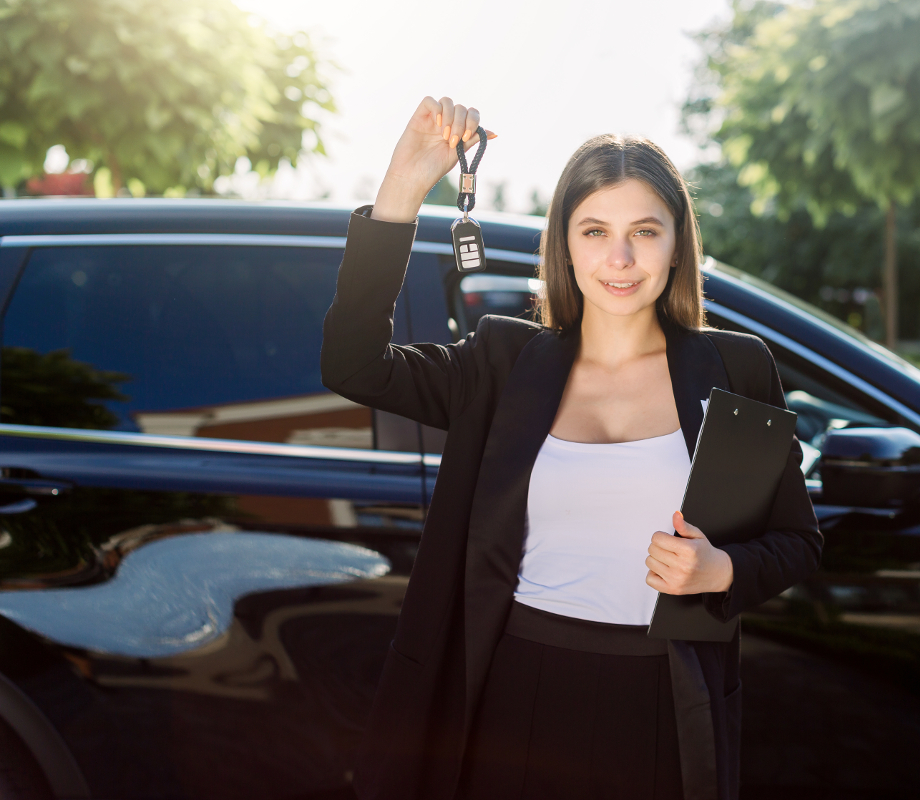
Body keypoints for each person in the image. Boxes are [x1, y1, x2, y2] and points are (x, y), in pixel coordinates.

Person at [321, 95, 823, 800]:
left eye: (645, 231)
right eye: (594, 231)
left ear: (678, 242)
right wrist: (405, 186)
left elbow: (798, 542)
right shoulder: (503, 360)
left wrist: (720, 571)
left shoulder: (737, 369)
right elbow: (353, 366)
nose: (619, 258)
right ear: (564, 242)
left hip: (666, 702)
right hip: (514, 693)